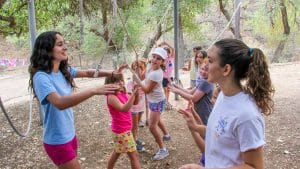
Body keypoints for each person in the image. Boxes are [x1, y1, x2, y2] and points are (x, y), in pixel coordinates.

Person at [28, 31, 124, 169]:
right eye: (60, 44)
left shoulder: (63, 70)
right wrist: (94, 90)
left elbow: (87, 73)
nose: (65, 47)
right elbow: (59, 103)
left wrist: (111, 72)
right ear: (47, 49)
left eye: (64, 43)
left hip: (70, 134)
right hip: (57, 140)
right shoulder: (41, 77)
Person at [179, 38, 275, 169]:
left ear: (226, 69)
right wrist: (196, 127)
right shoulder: (222, 96)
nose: (204, 65)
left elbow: (254, 166)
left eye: (210, 61)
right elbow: (220, 133)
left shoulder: (246, 115)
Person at [132, 47, 171, 160]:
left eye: (158, 59)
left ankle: (163, 150)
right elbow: (146, 81)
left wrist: (139, 83)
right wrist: (140, 82)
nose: (154, 60)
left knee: (152, 126)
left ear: (162, 62)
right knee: (156, 120)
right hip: (155, 100)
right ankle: (166, 135)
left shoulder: (157, 74)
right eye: (154, 57)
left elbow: (147, 90)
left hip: (157, 101)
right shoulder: (150, 68)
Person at [105, 73, 141, 169]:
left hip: (123, 130)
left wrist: (136, 94)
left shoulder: (122, 93)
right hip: (122, 131)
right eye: (117, 81)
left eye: (121, 80)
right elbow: (124, 108)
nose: (120, 83)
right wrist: (133, 94)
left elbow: (135, 102)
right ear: (109, 84)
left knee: (117, 152)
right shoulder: (111, 97)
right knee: (134, 156)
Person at [127, 59, 147, 152]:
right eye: (135, 68)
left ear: (144, 69)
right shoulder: (130, 82)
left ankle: (135, 138)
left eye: (140, 68)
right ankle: (133, 144)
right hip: (134, 108)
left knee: (136, 126)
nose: (137, 70)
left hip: (141, 107)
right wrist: (136, 91)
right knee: (134, 126)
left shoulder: (145, 81)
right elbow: (132, 100)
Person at [158, 42, 174, 110]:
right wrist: (161, 45)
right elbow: (158, 48)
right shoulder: (162, 59)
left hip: (170, 77)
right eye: (165, 52)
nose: (167, 53)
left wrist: (166, 44)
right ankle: (164, 102)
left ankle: (167, 101)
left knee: (168, 90)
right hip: (163, 77)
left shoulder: (171, 58)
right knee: (164, 90)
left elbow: (173, 49)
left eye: (168, 52)